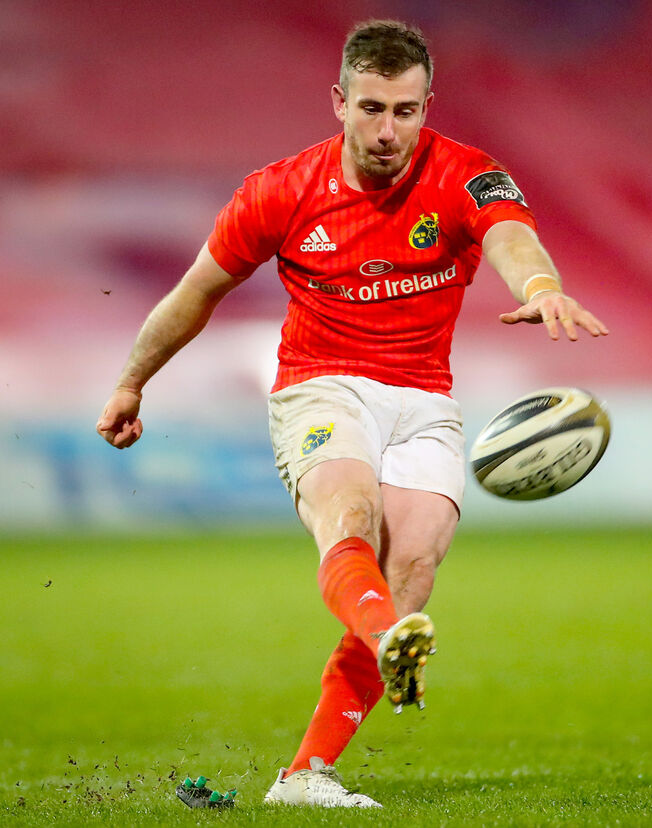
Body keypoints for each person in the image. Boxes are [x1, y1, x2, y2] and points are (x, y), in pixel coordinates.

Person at [95, 19, 607, 809]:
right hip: (322, 384)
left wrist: (541, 289)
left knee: (414, 567)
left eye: (405, 111)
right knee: (352, 513)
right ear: (339, 101)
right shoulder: (280, 191)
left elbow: (513, 241)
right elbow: (197, 291)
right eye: (372, 108)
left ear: (428, 105)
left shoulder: (470, 176)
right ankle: (388, 636)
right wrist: (132, 382)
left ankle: (304, 777)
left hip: (425, 398)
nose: (387, 130)